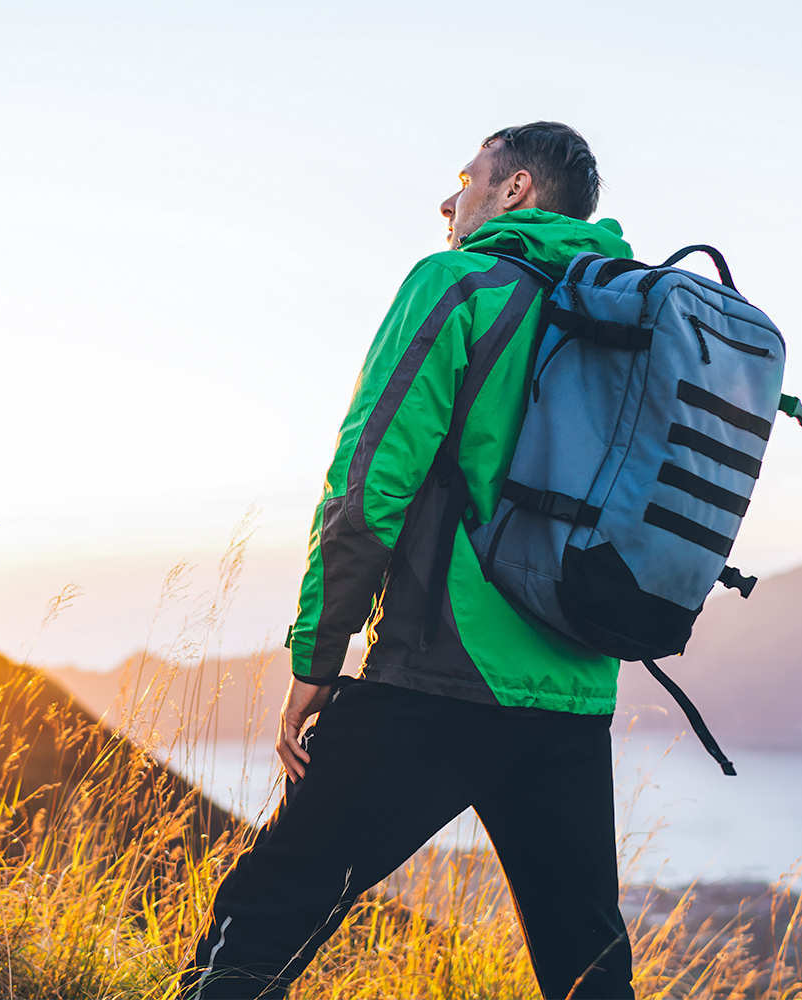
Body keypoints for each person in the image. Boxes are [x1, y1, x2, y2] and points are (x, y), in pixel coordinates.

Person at [179, 122, 636, 1000]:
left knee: (269, 909)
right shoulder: (621, 319)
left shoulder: (457, 284)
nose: (448, 199)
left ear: (517, 192)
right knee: (586, 972)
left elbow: (367, 486)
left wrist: (318, 654)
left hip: (437, 680)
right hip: (575, 698)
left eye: (467, 177)